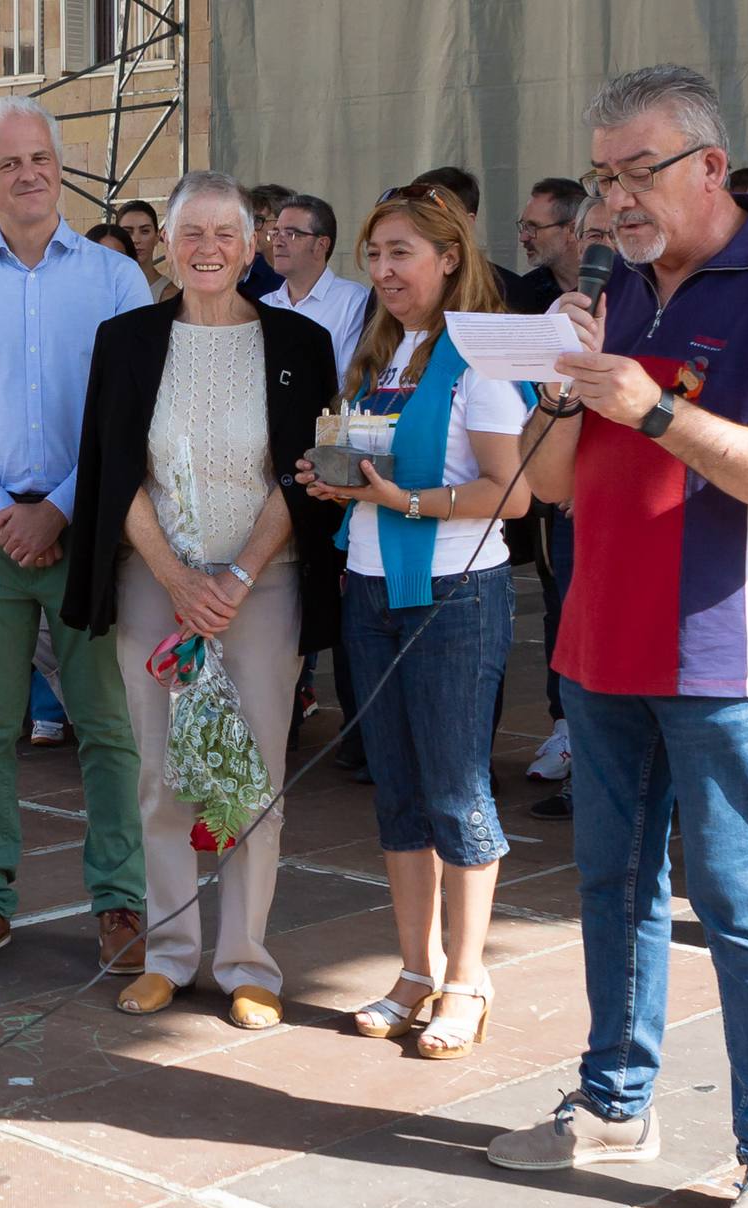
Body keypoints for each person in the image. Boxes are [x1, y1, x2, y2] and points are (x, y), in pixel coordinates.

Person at [484, 65, 748, 1208]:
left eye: (635, 173)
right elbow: (548, 489)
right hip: (600, 636)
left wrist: (652, 409)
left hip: (728, 652)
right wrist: (557, 395)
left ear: (709, 167)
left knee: (744, 908)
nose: (612, 204)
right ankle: (612, 1101)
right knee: (610, 884)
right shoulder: (611, 293)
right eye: (600, 178)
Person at [66, 170, 345, 1026]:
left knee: (253, 779)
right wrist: (179, 577)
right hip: (156, 582)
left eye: (227, 234)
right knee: (161, 777)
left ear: (253, 243)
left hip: (261, 586)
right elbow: (112, 468)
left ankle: (246, 961)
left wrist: (232, 577)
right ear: (167, 245)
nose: (209, 250)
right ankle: (169, 953)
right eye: (192, 234)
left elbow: (302, 473)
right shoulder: (126, 338)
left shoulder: (299, 343)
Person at [0, 94, 154, 977]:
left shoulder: (114, 280)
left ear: (60, 166)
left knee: (105, 724)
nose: (28, 175)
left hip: (88, 526)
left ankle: (120, 901)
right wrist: (3, 513)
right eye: (8, 163)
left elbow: (132, 416)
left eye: (41, 158)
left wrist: (56, 507)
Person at [292, 183, 528, 1057]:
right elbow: (370, 472)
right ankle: (414, 969)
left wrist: (406, 501)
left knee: (455, 791)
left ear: (449, 258)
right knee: (396, 792)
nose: (385, 271)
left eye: (402, 253)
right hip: (369, 587)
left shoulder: (481, 354)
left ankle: (465, 978)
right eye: (376, 255)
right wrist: (339, 485)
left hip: (454, 595)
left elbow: (514, 492)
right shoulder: (383, 353)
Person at [524, 192, 618, 823]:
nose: (603, 245)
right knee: (572, 630)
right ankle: (579, 765)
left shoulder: (660, 307)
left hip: (636, 514)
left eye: (614, 231)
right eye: (595, 233)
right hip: (567, 503)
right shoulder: (549, 305)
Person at [260, 192, 372, 382]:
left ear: (321, 245)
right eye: (276, 233)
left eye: (292, 234)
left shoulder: (352, 300)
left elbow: (349, 382)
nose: (278, 242)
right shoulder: (265, 305)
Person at [407, 165, 534, 309]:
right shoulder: (394, 286)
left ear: (467, 222)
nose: (418, 224)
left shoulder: (510, 290)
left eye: (432, 216)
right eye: (414, 214)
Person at [509, 176, 587, 316]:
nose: (523, 237)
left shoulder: (620, 285)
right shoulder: (524, 292)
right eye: (524, 227)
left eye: (533, 227)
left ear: (573, 229)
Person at [237, 181, 291, 300]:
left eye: (257, 220)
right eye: (247, 220)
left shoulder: (296, 276)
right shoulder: (247, 272)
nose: (249, 228)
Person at [114, 198, 164, 292]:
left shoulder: (170, 295)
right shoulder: (103, 288)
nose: (135, 240)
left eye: (145, 231)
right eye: (127, 232)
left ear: (157, 236)